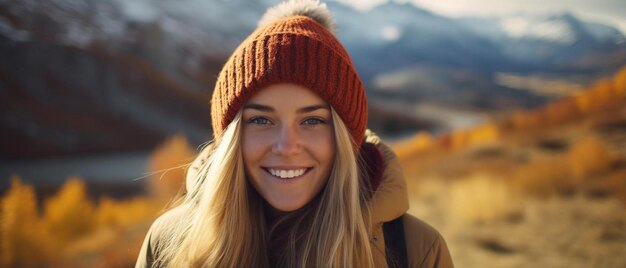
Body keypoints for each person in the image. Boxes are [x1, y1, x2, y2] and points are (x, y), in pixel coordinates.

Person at [135, 0, 453, 267]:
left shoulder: (415, 251)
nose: (287, 147)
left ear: (346, 138)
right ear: (231, 138)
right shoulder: (167, 245)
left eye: (312, 121)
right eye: (261, 121)